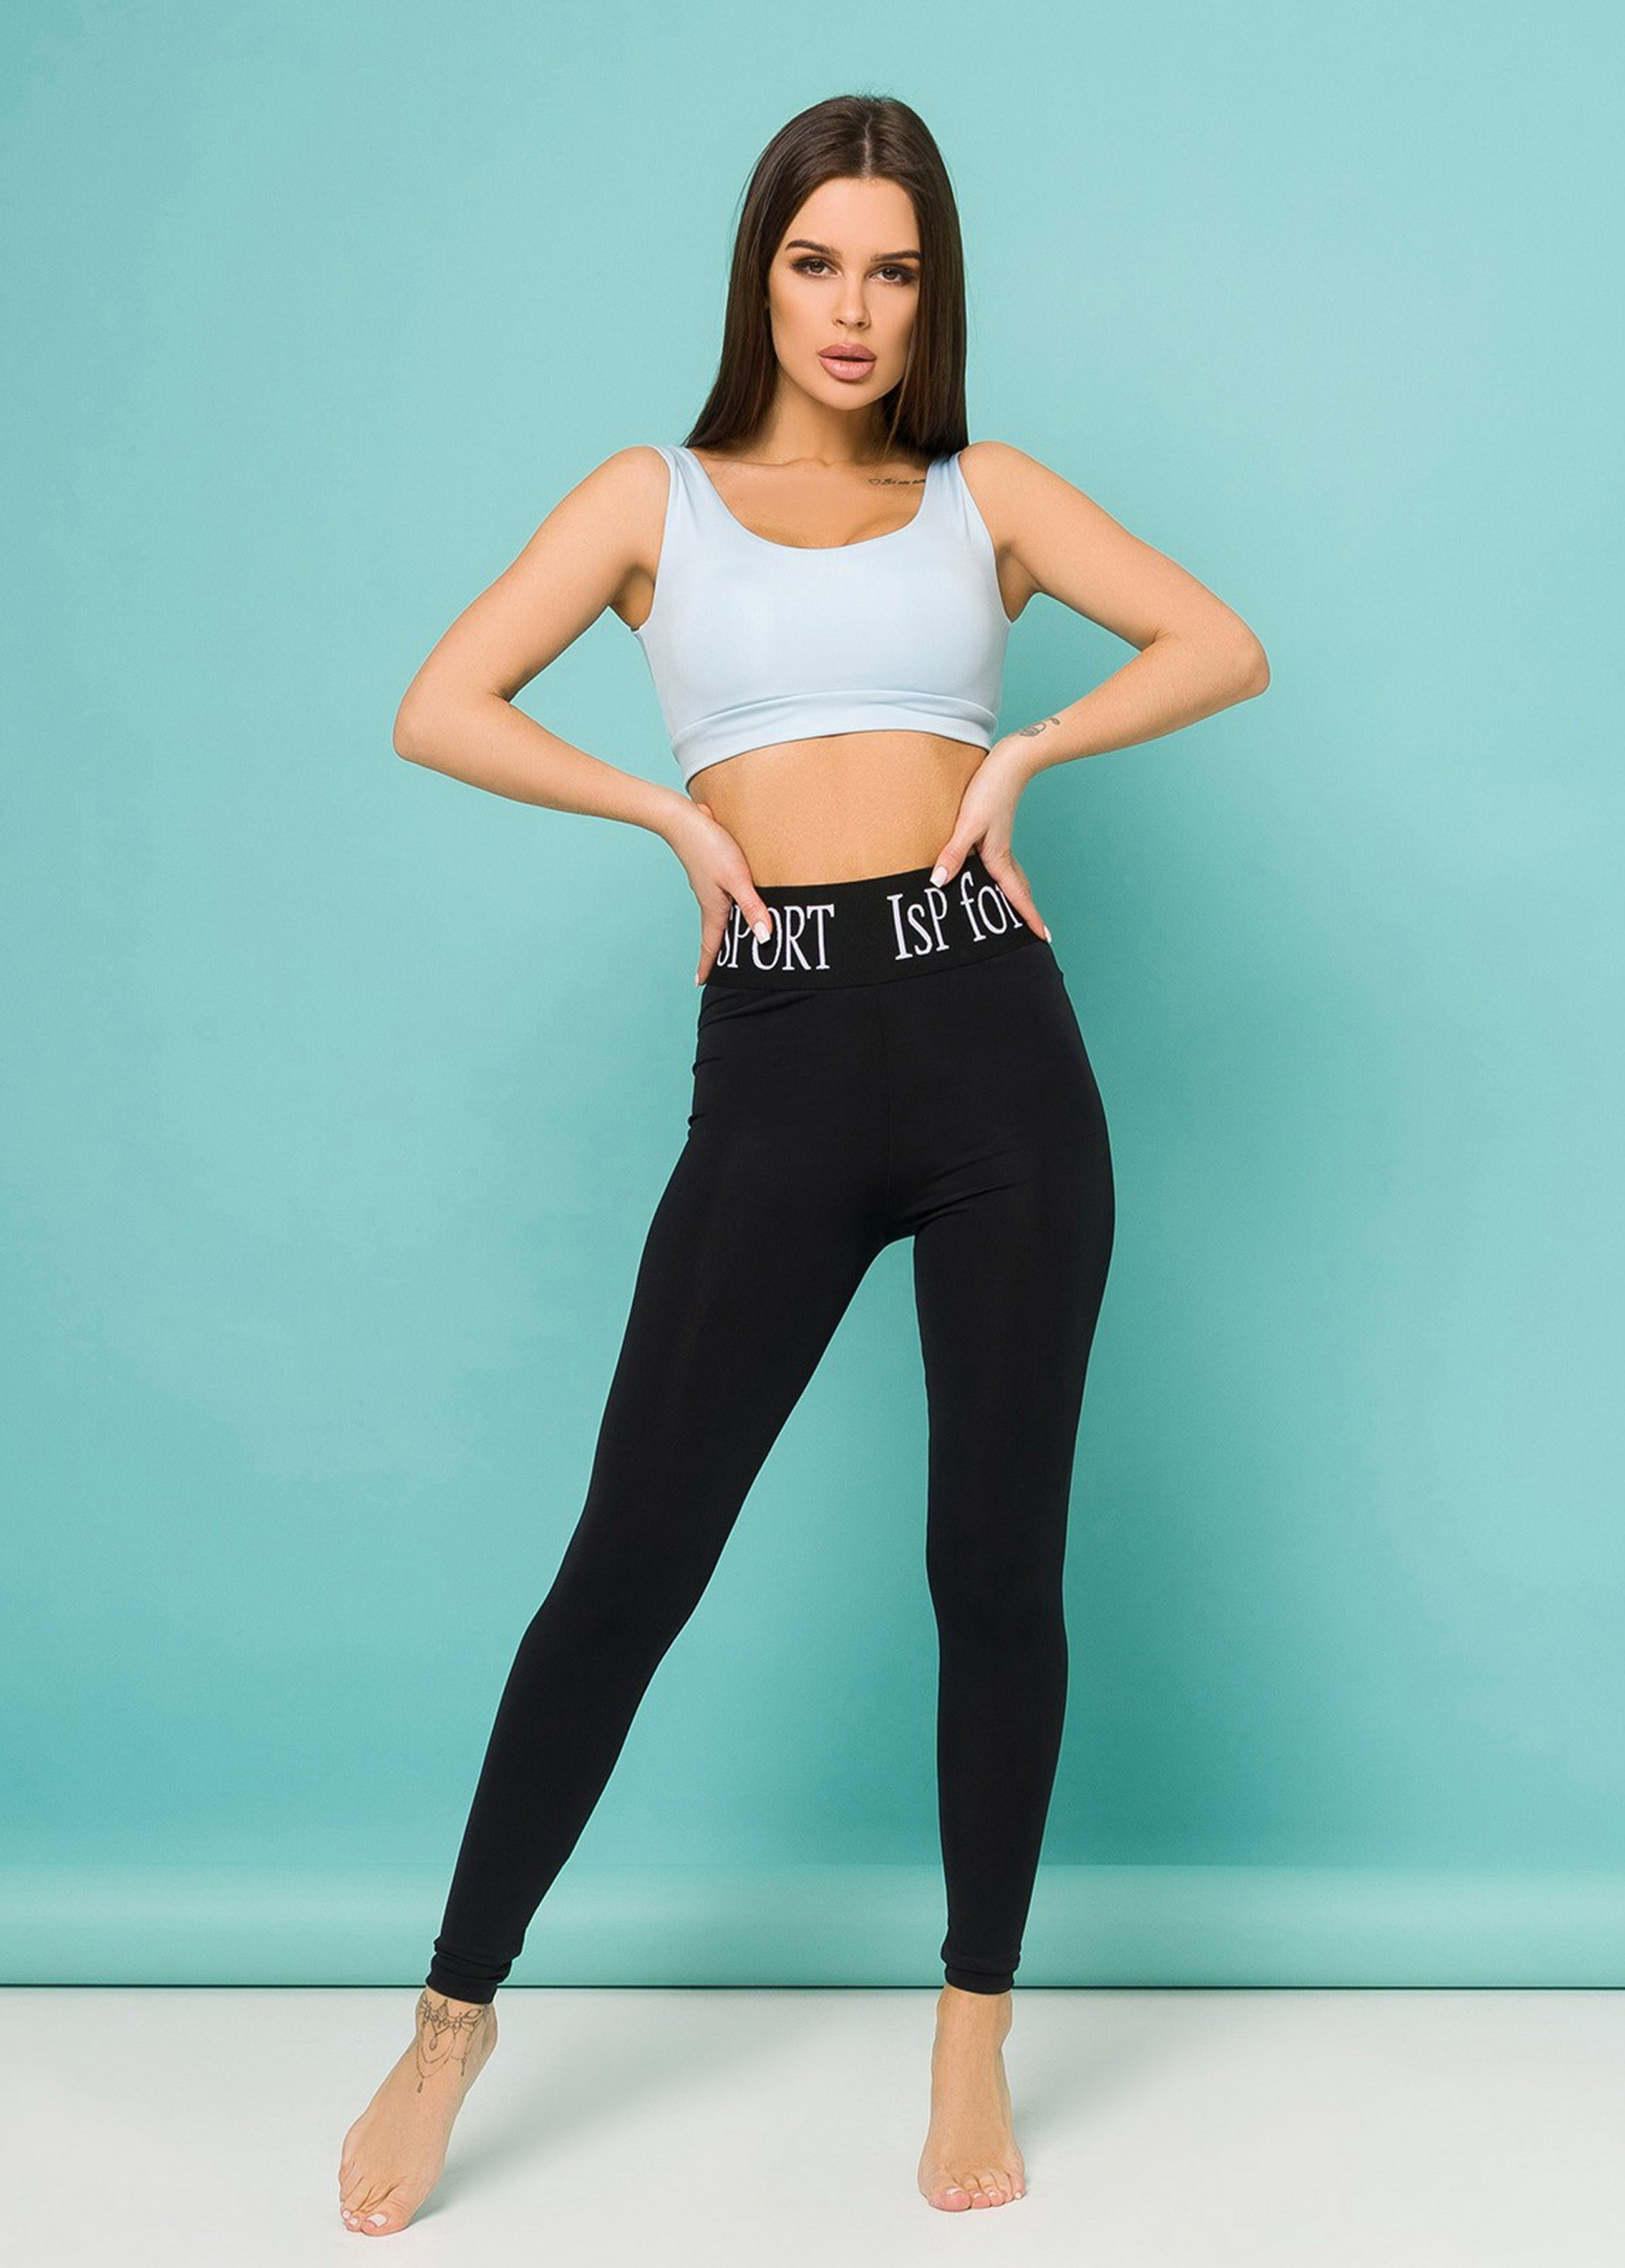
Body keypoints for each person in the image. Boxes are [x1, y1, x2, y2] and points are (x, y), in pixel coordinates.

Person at [338, 91, 1269, 2235]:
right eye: (816, 260)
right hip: (775, 1050)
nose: (853, 307)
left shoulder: (982, 495)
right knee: (628, 1566)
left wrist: (1029, 748)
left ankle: (972, 2019)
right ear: (758, 273)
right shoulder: (649, 500)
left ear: (933, 295)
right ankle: (451, 2018)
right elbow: (440, 703)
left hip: (989, 1038)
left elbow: (1218, 643)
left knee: (992, 1568)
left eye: (894, 269)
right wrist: (668, 815)